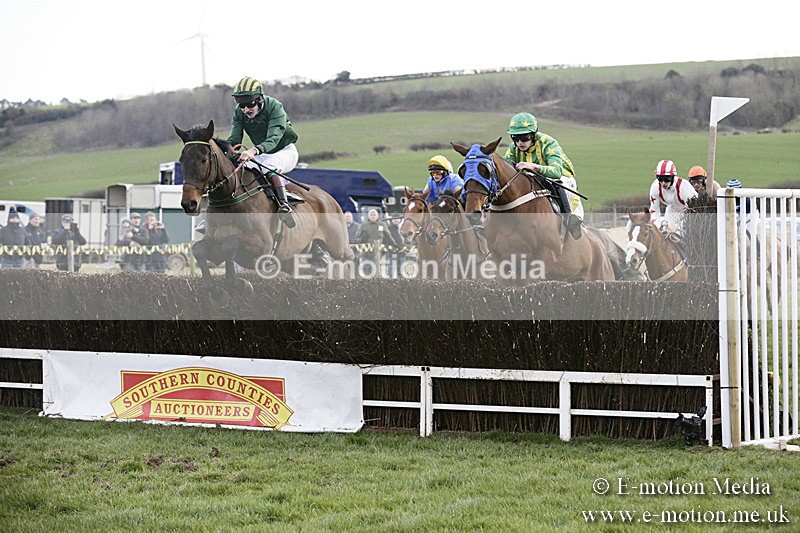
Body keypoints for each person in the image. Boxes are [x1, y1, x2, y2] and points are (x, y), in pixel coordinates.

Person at [227, 76, 299, 228]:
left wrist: (253, 150)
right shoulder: (239, 113)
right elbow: (234, 139)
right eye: (242, 105)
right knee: (239, 170)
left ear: (259, 99)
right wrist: (224, 152)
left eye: (250, 104)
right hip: (262, 154)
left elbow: (273, 138)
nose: (246, 110)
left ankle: (284, 206)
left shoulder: (274, 107)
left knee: (269, 166)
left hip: (285, 151)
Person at [503, 112, 583, 240]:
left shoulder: (549, 143)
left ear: (533, 135)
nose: (519, 142)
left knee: (556, 180)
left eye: (524, 137)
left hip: (561, 180)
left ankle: (569, 218)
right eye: (515, 138)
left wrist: (533, 167)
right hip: (535, 181)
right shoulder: (513, 148)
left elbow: (556, 172)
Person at [648, 159, 698, 233]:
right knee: (666, 232)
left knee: (679, 232)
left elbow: (695, 210)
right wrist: (657, 228)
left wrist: (678, 227)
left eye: (667, 179)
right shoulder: (655, 187)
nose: (663, 183)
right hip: (672, 209)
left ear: (673, 177)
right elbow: (654, 210)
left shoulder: (684, 187)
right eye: (660, 179)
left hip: (688, 212)